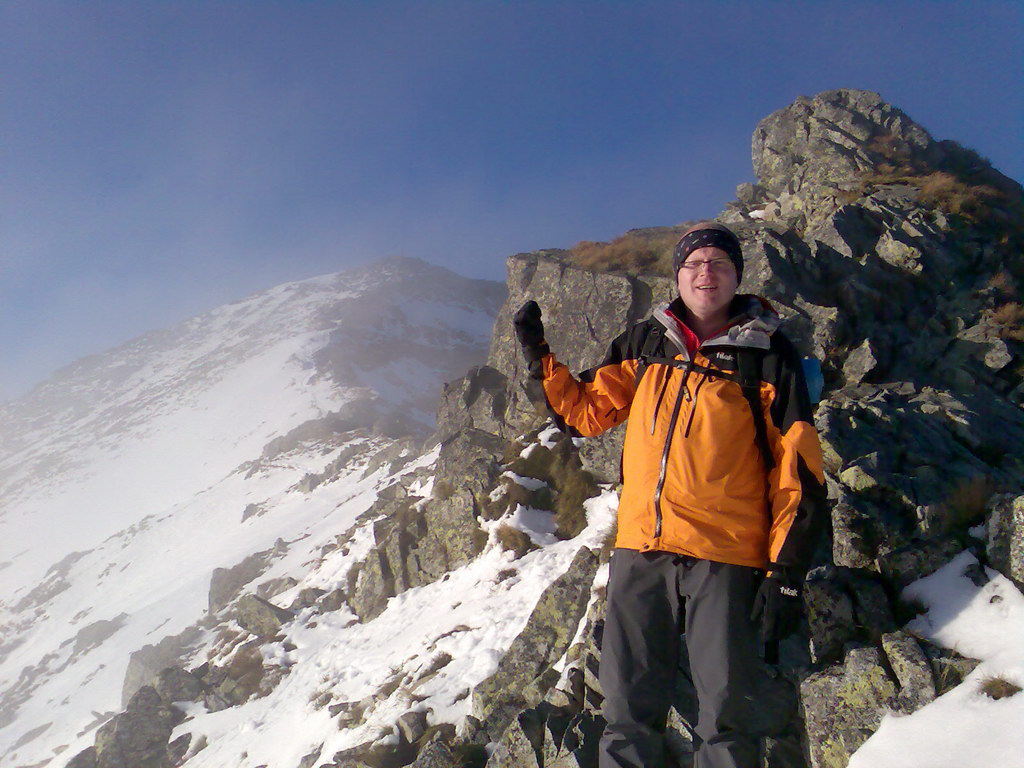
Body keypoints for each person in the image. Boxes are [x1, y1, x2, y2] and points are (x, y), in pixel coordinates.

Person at [512, 222, 827, 768]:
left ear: (737, 277)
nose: (707, 272)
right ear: (678, 275)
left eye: (720, 264)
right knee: (627, 711)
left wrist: (786, 573)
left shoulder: (769, 354)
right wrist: (540, 358)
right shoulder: (647, 342)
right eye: (695, 263)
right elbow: (583, 414)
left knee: (725, 717)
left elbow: (797, 472)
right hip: (641, 548)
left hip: (725, 555)